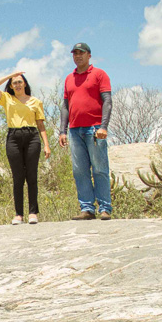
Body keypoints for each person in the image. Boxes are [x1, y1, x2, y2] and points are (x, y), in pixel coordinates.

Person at [58, 42, 113, 220]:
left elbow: (107, 101)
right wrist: (62, 131)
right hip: (75, 130)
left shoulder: (99, 74)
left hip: (95, 128)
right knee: (80, 171)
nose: (78, 56)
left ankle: (104, 208)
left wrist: (103, 126)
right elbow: (65, 106)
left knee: (99, 169)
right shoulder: (69, 78)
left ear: (89, 55)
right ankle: (87, 209)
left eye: (81, 53)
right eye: (75, 53)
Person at [0, 70, 50, 224]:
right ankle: (18, 214)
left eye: (19, 82)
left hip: (32, 137)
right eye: (14, 83)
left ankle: (33, 213)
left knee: (32, 175)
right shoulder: (7, 99)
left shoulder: (35, 101)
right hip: (13, 137)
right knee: (18, 177)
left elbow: (40, 125)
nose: (17, 85)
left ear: (25, 84)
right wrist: (10, 75)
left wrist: (46, 145)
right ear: (11, 85)